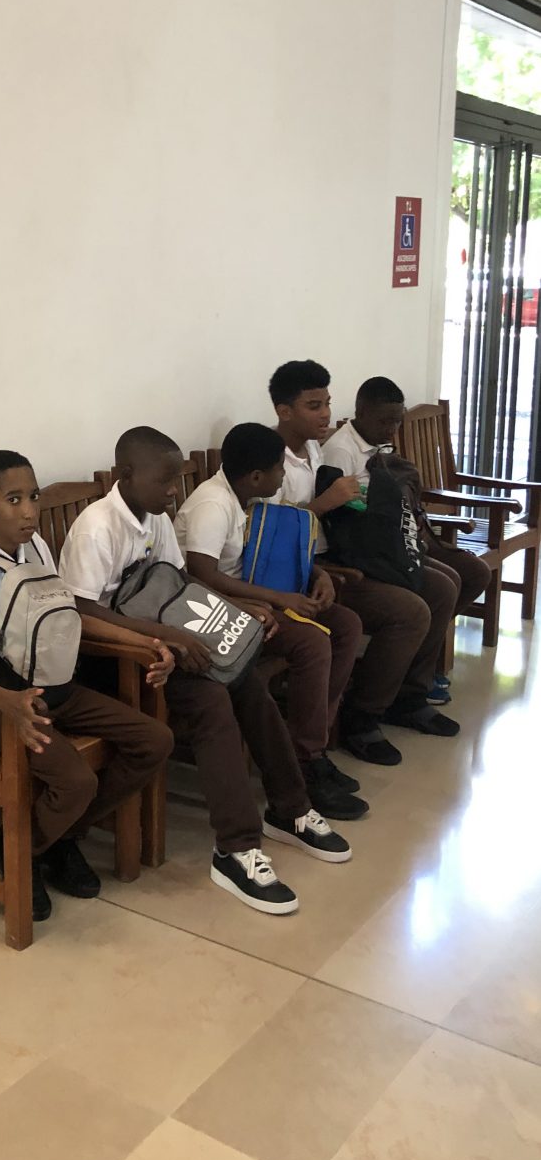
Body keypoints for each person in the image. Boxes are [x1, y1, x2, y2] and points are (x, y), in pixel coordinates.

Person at [59, 427, 352, 917]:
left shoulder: (153, 517)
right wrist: (163, 638)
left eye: (176, 480)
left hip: (164, 644)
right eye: (165, 481)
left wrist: (236, 606)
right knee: (213, 698)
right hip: (113, 661)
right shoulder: (97, 528)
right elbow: (82, 613)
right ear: (125, 474)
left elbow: (181, 581)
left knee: (247, 682)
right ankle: (235, 849)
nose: (174, 492)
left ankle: (291, 808)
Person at [0, 449, 174, 923]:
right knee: (76, 779)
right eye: (13, 499)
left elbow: (69, 615)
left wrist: (148, 643)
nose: (29, 511)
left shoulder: (35, 548)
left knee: (153, 740)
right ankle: (21, 851)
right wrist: (8, 703)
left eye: (33, 497)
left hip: (49, 685)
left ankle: (56, 837)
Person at [174, 422, 366, 819]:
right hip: (213, 608)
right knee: (312, 642)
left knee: (345, 625)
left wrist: (318, 574)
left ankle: (312, 743)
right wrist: (277, 599)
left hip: (254, 593)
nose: (284, 474)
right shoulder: (213, 505)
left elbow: (281, 543)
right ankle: (305, 762)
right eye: (280, 467)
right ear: (257, 476)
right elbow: (200, 576)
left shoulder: (251, 495)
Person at [321, 376, 468, 751]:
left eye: (397, 421)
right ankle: (362, 714)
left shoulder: (376, 444)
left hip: (382, 547)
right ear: (360, 412)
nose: (392, 429)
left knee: (445, 586)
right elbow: (342, 523)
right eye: (385, 421)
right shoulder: (339, 452)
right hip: (352, 558)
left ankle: (410, 695)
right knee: (413, 609)